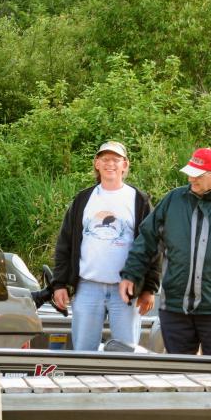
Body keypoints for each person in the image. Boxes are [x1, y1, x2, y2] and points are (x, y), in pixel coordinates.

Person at [118, 147, 211, 355]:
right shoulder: (174, 199)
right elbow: (146, 239)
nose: (191, 179)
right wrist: (131, 275)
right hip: (175, 307)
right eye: (189, 173)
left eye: (197, 175)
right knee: (179, 374)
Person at [51, 141, 161, 351]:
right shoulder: (83, 199)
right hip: (87, 287)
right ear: (97, 164)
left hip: (126, 290)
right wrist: (59, 284)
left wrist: (149, 288)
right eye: (105, 159)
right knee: (83, 351)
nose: (110, 164)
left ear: (125, 165)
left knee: (127, 353)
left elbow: (153, 247)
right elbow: (64, 243)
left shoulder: (140, 200)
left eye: (116, 159)